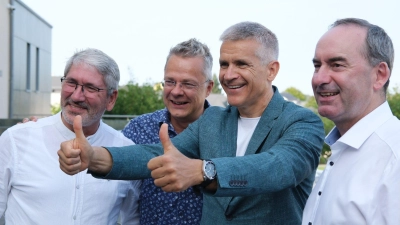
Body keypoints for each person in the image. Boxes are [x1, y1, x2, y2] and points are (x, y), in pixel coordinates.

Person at [59, 22, 325, 224]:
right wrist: (94, 157)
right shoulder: (214, 120)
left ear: (272, 70)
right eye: (224, 64)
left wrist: (204, 170)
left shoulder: (303, 122)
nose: (229, 75)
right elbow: (156, 155)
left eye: (241, 64)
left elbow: (279, 166)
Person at [0, 48, 140, 224]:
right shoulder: (16, 140)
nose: (76, 95)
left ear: (111, 98)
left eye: (90, 87)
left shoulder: (125, 151)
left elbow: (133, 219)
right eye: (71, 83)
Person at [302, 18, 400, 225]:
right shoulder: (341, 148)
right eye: (317, 66)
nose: (320, 78)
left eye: (337, 65)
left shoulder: (394, 158)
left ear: (379, 75)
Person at [122, 38, 213, 224]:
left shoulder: (229, 132)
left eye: (188, 84)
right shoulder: (139, 129)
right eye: (170, 82)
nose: (176, 91)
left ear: (209, 88)